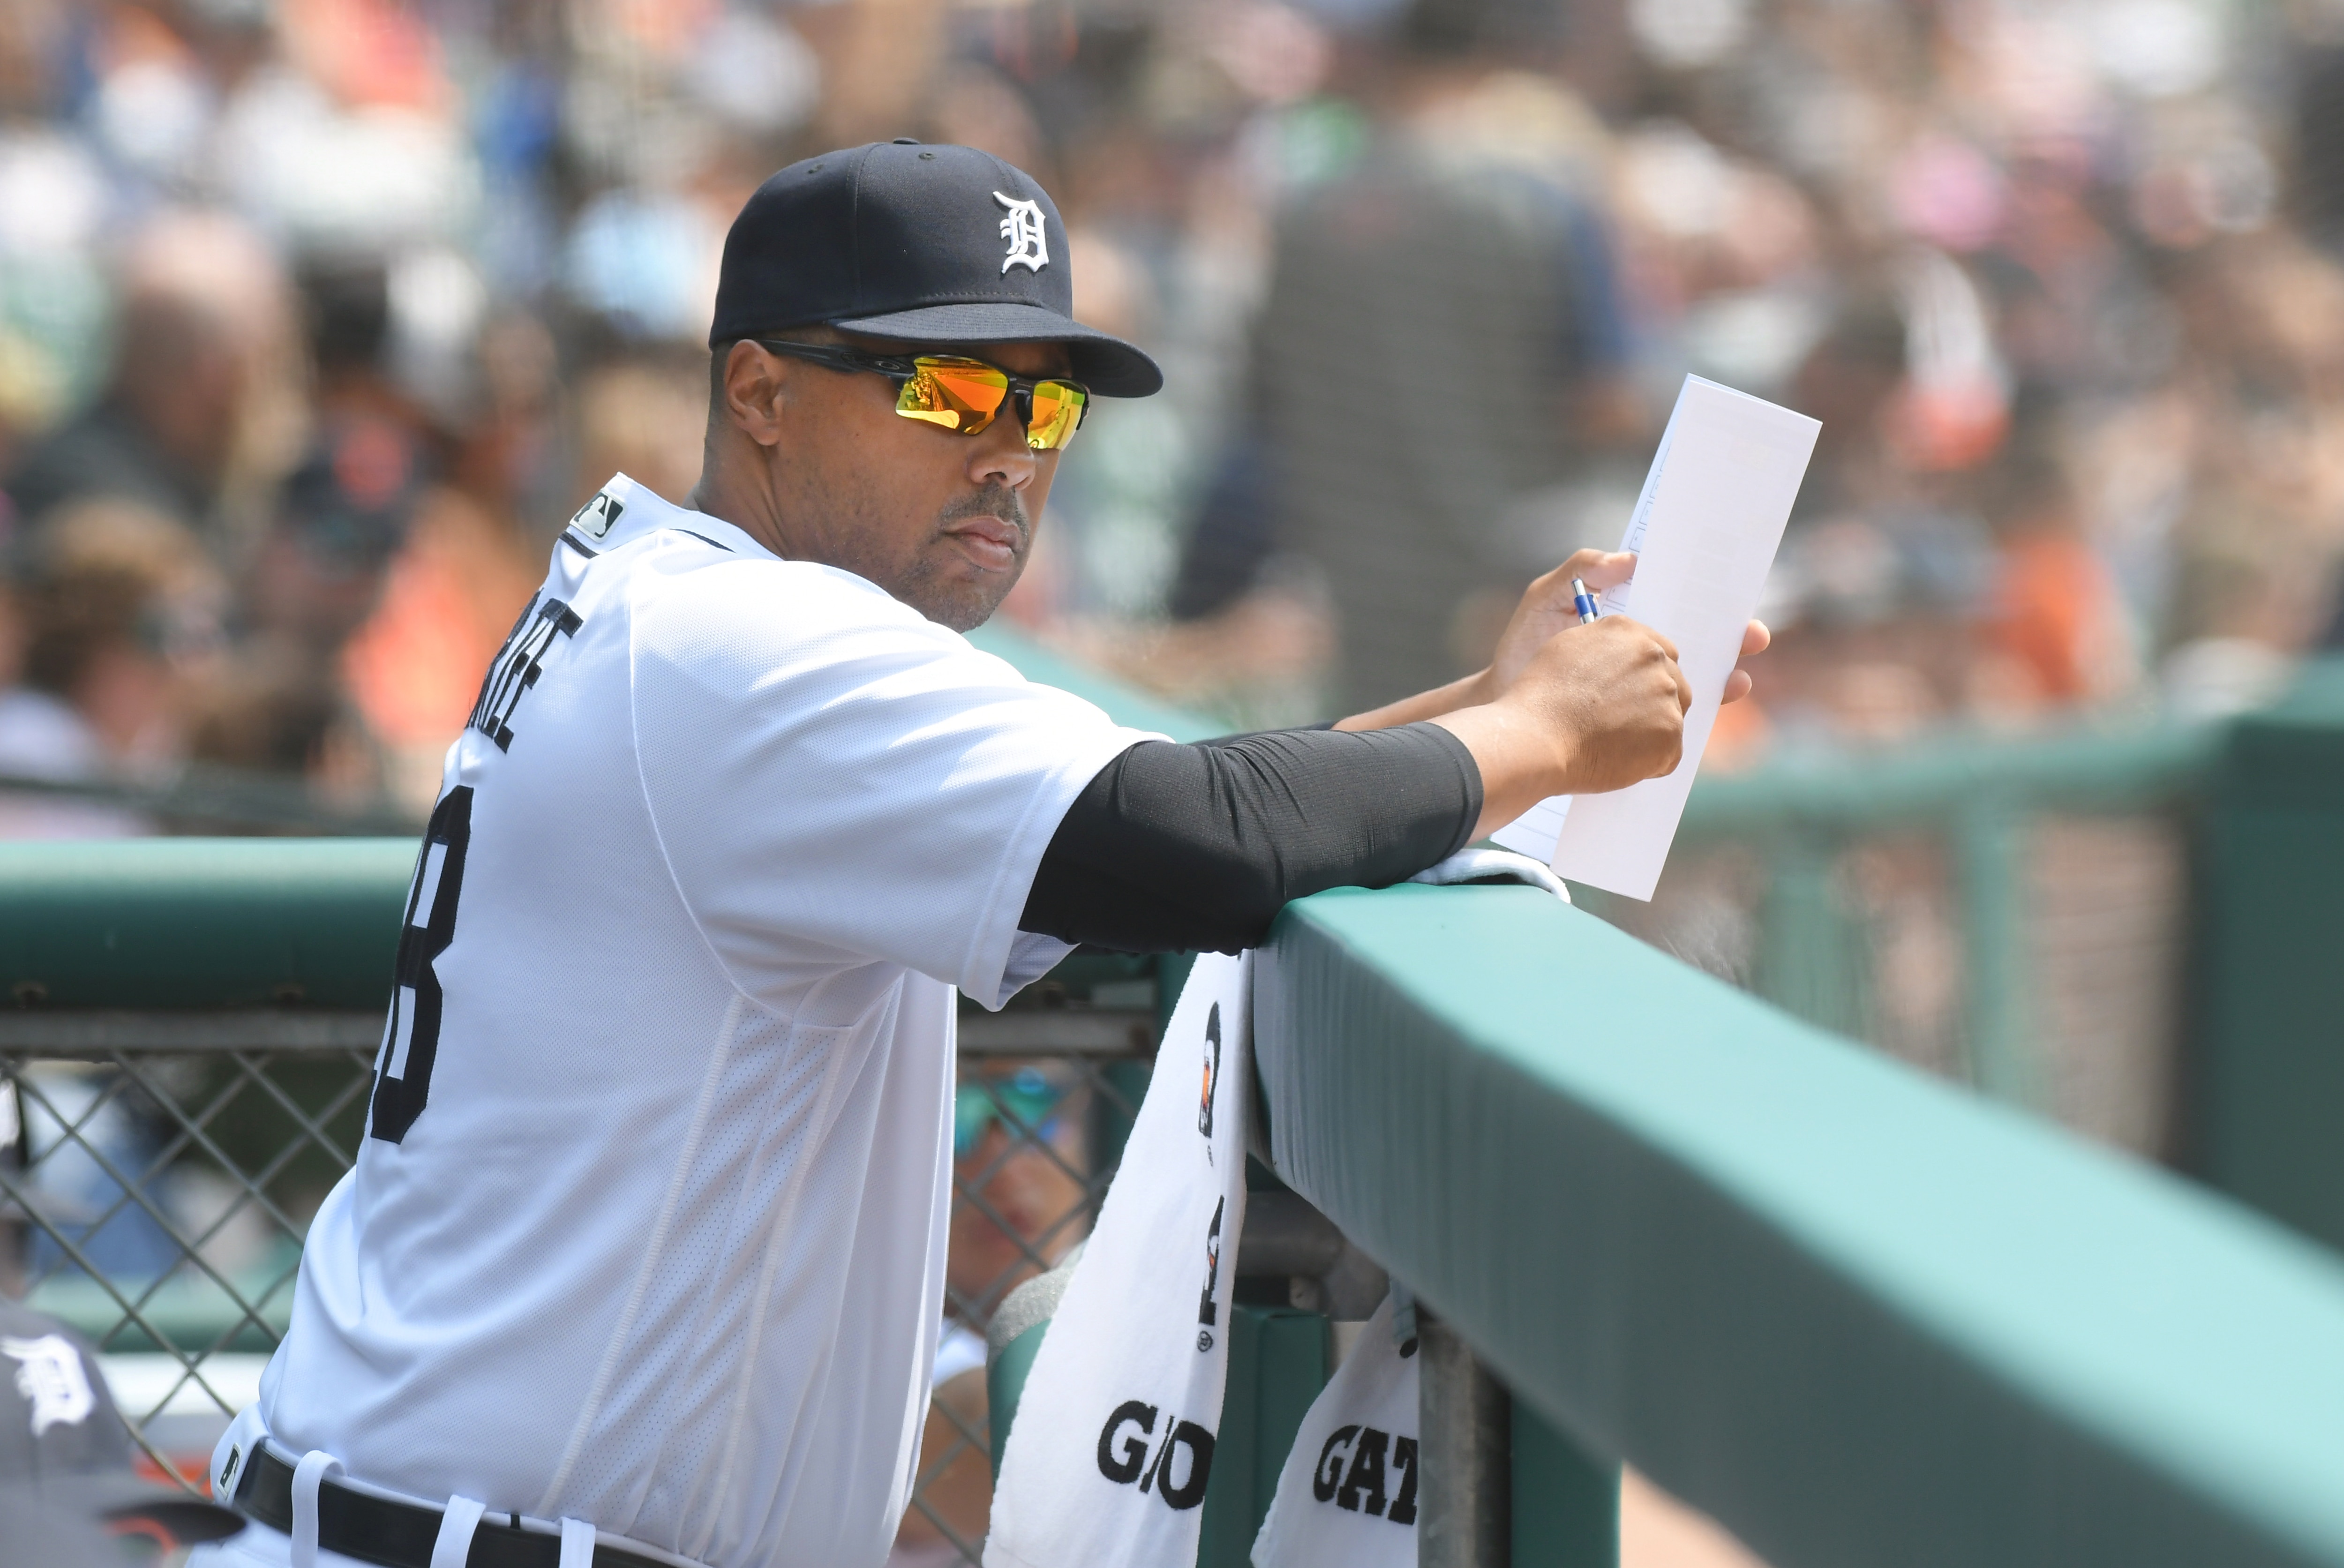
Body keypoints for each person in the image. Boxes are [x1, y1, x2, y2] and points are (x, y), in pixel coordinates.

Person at [196, 142, 1765, 1568]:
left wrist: (1500, 706)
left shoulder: (690, 610)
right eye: (949, 389)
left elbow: (1173, 803)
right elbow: (1189, 842)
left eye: (1047, 404)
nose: (1012, 450)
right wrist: (1545, 739)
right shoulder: (745, 643)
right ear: (760, 392)